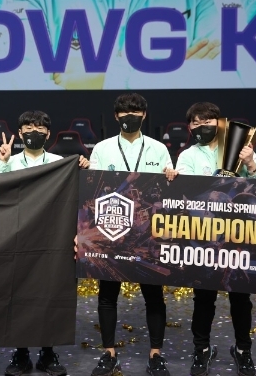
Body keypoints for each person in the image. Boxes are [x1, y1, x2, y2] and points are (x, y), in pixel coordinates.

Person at [164, 102, 256, 376]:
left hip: (236, 235)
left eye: (208, 121)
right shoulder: (188, 155)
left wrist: (250, 162)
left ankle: (243, 350)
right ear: (190, 127)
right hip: (204, 236)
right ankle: (201, 349)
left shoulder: (240, 146)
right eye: (196, 123)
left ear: (219, 123)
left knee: (241, 297)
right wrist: (174, 177)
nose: (202, 127)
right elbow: (185, 189)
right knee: (203, 297)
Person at [0, 110, 89, 376]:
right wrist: (2, 163)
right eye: (29, 128)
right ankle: (20, 353)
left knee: (51, 293)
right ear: (20, 133)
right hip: (17, 238)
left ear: (48, 134)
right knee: (17, 294)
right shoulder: (8, 161)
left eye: (40, 128)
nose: (34, 132)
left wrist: (84, 169)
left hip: (52, 239)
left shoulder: (60, 163)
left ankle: (48, 352)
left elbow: (81, 197)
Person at [4, 0, 228, 90]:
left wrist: (104, 77)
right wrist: (173, 72)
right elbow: (20, 85)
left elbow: (229, 76)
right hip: (72, 142)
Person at [86, 93, 173, 376]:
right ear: (116, 116)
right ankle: (109, 353)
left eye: (135, 111)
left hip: (147, 233)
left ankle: (156, 354)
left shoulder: (158, 149)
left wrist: (172, 176)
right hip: (111, 227)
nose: (129, 116)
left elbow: (168, 189)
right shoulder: (102, 148)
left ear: (144, 115)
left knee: (153, 295)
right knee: (107, 294)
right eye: (124, 112)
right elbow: (91, 190)